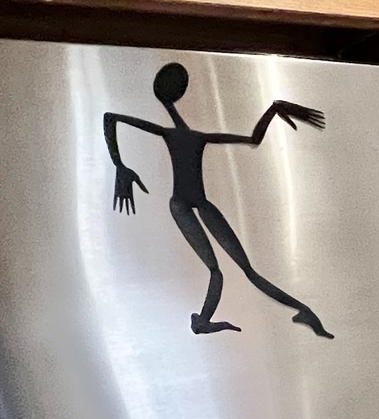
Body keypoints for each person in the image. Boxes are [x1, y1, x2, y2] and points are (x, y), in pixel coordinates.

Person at [103, 61, 333, 339]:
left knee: (232, 271)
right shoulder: (191, 136)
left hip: (191, 205)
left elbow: (110, 118)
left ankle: (297, 310)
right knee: (229, 271)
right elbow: (253, 138)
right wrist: (274, 108)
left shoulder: (180, 134)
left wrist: (120, 165)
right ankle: (207, 321)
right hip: (185, 206)